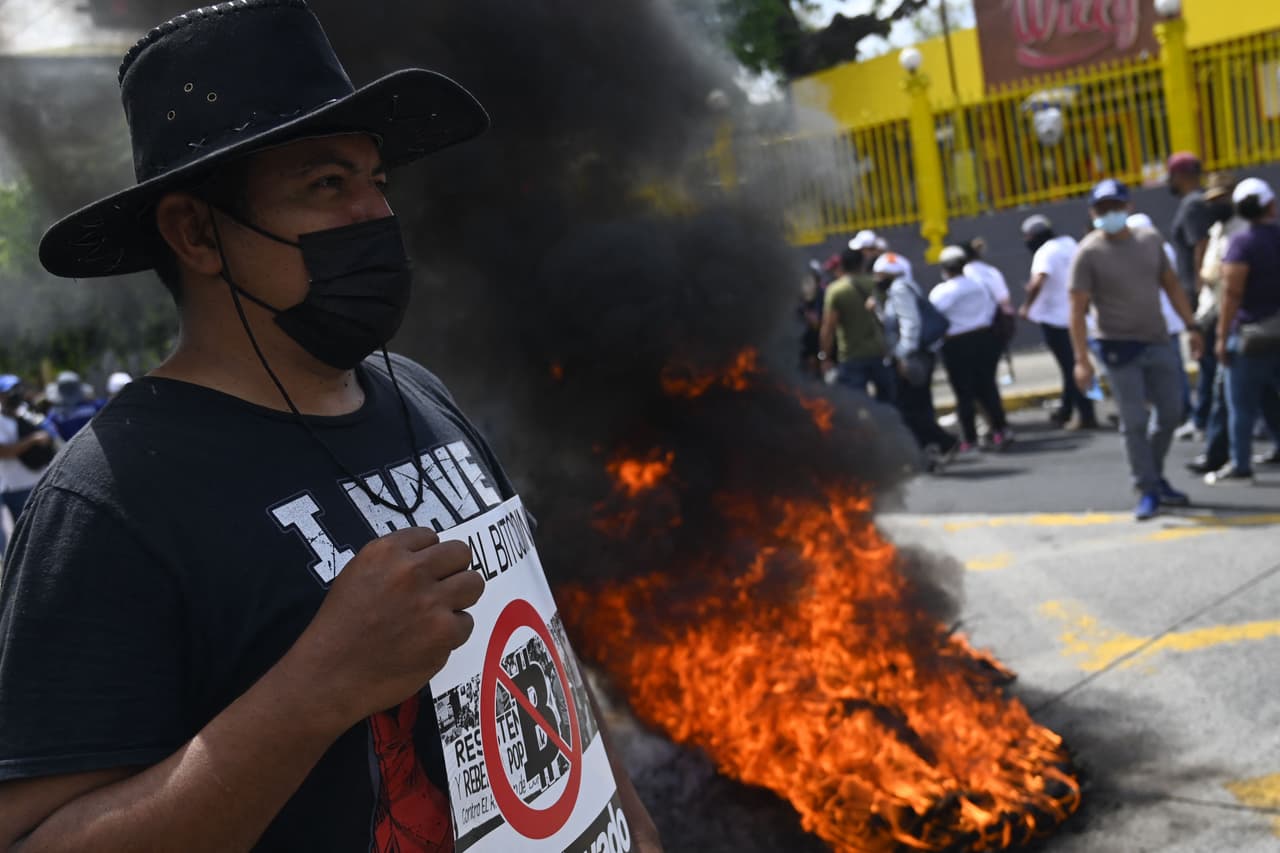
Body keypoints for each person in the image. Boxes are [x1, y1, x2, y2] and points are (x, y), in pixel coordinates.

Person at [0, 4, 662, 852]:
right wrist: (317, 687)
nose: (375, 215)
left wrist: (632, 823)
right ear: (195, 232)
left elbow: (540, 646)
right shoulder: (111, 500)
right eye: (325, 185)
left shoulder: (420, 394)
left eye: (377, 181)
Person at [1069, 179, 1203, 520]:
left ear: (1129, 206)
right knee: (1134, 421)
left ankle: (1153, 475)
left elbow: (1171, 285)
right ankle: (1147, 488)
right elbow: (1077, 309)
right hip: (1117, 347)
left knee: (1171, 413)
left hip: (1157, 340)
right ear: (1093, 212)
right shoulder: (1088, 253)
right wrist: (1082, 360)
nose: (1110, 213)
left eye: (1115, 206)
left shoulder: (1150, 240)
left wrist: (1191, 326)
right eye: (1102, 208)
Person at [1209, 177, 1280, 484]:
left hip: (1251, 337)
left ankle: (1240, 463)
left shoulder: (1241, 243)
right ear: (1270, 205)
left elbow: (1231, 294)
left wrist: (1221, 337)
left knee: (1240, 404)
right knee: (1267, 397)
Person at [872, 252, 958, 470]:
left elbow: (911, 324)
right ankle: (929, 451)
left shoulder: (900, 289)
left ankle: (943, 442)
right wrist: (878, 312)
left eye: (879, 274)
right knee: (918, 406)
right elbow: (895, 323)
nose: (876, 278)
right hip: (916, 355)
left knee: (908, 408)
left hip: (912, 357)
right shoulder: (900, 289)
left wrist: (903, 355)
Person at [1019, 214, 1097, 429]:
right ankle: (1067, 410)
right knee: (1077, 364)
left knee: (1072, 367)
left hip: (1056, 320)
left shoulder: (1044, 253)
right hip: (1079, 316)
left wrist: (1027, 306)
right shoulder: (1069, 244)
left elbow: (1038, 281)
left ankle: (1086, 414)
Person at [931, 245, 1011, 451]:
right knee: (988, 387)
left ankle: (969, 437)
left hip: (956, 343)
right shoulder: (979, 285)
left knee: (963, 392)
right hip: (984, 338)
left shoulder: (942, 291)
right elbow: (992, 308)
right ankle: (1000, 429)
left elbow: (934, 315)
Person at [820, 247, 893, 401]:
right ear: (862, 263)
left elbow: (828, 328)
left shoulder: (836, 290)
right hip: (880, 352)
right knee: (888, 403)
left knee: (857, 404)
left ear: (842, 266)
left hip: (850, 356)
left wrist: (825, 357)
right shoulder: (875, 285)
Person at [0, 376, 56, 555]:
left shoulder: (28, 412)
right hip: (16, 487)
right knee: (26, 542)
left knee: (47, 534)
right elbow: (4, 452)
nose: (15, 394)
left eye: (17, 388)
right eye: (9, 391)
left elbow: (50, 433)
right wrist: (32, 440)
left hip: (41, 481)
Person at [1167, 152, 1214, 306]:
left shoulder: (1192, 204)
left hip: (1196, 291)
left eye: (1171, 175)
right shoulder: (1200, 198)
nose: (1169, 181)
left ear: (1181, 175)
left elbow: (1201, 243)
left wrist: (1200, 287)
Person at [46, 370, 105, 441]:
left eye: (71, 387)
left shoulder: (94, 405)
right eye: (66, 388)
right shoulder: (56, 412)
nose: (69, 390)